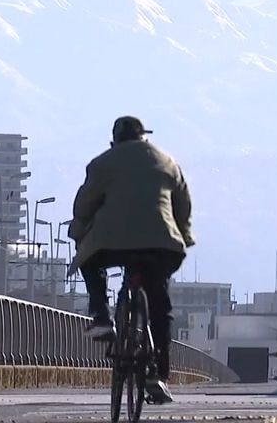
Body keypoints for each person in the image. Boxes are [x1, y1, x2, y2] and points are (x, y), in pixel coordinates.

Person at [68, 116, 195, 404]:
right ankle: (159, 373)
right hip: (160, 244)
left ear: (115, 141)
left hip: (111, 242)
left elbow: (84, 204)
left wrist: (78, 232)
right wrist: (184, 236)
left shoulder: (102, 163)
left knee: (90, 261)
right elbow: (183, 205)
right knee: (160, 309)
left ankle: (100, 314)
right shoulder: (167, 162)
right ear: (144, 139)